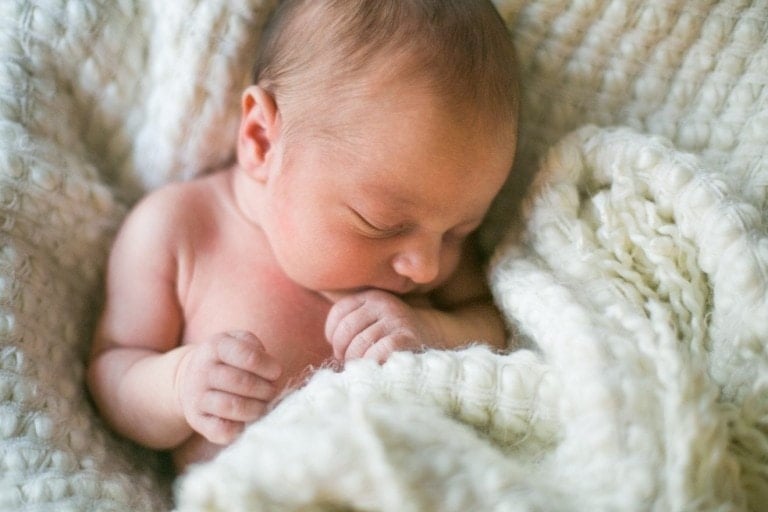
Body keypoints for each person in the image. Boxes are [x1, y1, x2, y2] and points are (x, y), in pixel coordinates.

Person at [87, 0, 520, 471]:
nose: (428, 266)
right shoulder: (179, 230)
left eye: (462, 230)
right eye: (382, 223)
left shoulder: (431, 249)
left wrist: (431, 331)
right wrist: (177, 384)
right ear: (261, 141)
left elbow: (492, 330)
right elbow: (113, 371)